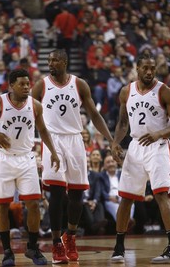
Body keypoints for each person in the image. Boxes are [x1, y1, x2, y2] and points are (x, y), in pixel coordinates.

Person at [31, 49, 113, 264]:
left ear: (65, 62)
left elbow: (94, 114)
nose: (51, 63)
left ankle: (71, 237)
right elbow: (27, 112)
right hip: (52, 140)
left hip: (75, 139)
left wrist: (111, 139)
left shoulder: (79, 84)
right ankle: (57, 242)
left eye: (55, 60)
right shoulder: (41, 85)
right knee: (56, 193)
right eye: (49, 60)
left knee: (77, 194)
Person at [0, 68, 60, 266]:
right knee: (2, 206)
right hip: (3, 159)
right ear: (11, 85)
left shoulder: (35, 105)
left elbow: (43, 130)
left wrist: (54, 153)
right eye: (21, 84)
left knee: (33, 204)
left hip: (26, 158)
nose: (26, 87)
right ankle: (7, 251)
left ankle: (32, 247)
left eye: (28, 83)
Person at [110, 53, 170, 264]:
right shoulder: (127, 91)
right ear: (137, 68)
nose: (149, 72)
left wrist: (159, 134)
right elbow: (123, 122)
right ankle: (119, 247)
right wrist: (116, 143)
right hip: (135, 147)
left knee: (161, 194)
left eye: (152, 68)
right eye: (145, 68)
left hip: (158, 147)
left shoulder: (165, 92)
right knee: (126, 197)